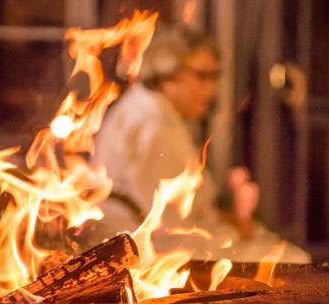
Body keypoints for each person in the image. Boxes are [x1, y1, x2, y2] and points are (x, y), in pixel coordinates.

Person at [92, 23, 309, 263]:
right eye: (202, 76)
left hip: (150, 241)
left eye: (215, 76)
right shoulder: (153, 125)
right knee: (293, 261)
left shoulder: (147, 108)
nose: (213, 88)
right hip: (148, 254)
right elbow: (172, 226)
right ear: (167, 75)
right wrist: (234, 230)